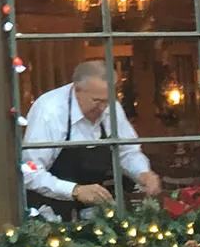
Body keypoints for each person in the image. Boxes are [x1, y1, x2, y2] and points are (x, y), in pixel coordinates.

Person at [20, 59, 163, 220]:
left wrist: (143, 173)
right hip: (49, 213)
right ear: (77, 89)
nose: (103, 108)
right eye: (97, 101)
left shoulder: (111, 107)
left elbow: (127, 152)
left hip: (94, 214)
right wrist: (75, 190)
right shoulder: (50, 111)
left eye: (107, 101)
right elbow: (30, 172)